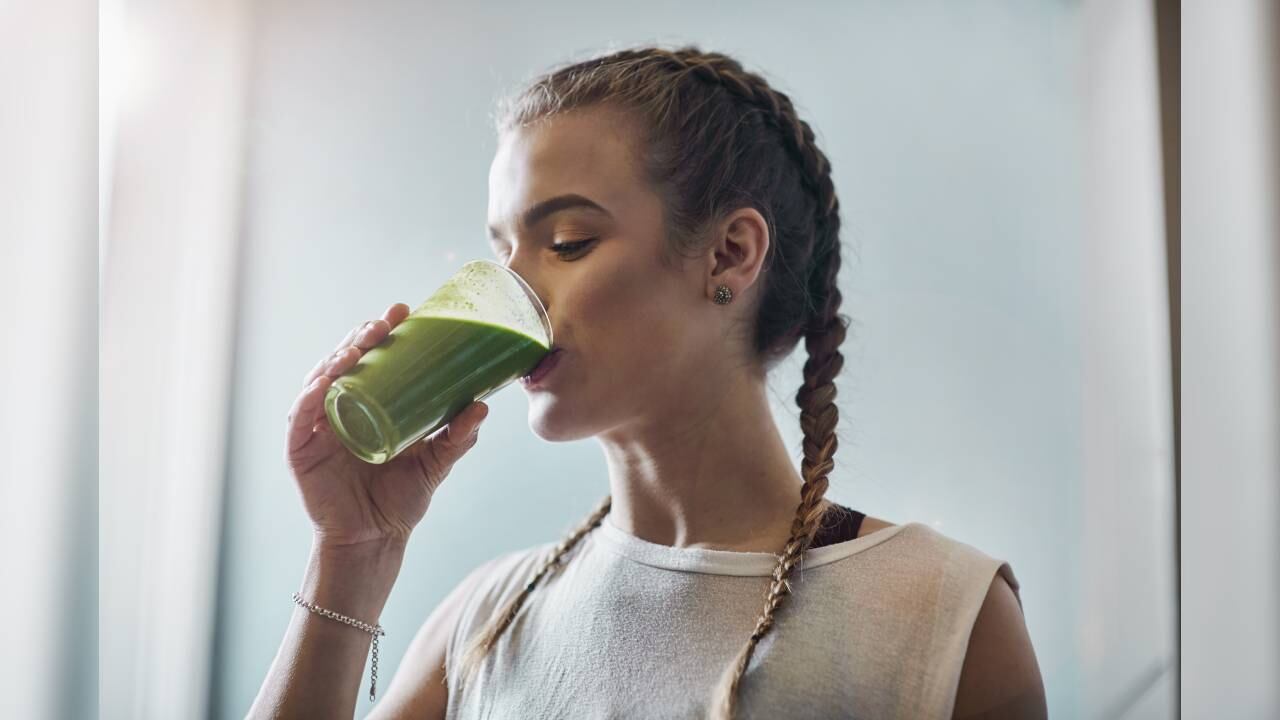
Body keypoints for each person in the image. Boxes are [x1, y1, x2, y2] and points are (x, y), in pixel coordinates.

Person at [249, 45, 1047, 719]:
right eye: (503, 255)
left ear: (730, 254)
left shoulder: (941, 615)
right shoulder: (486, 621)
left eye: (566, 241)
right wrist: (350, 555)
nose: (514, 294)